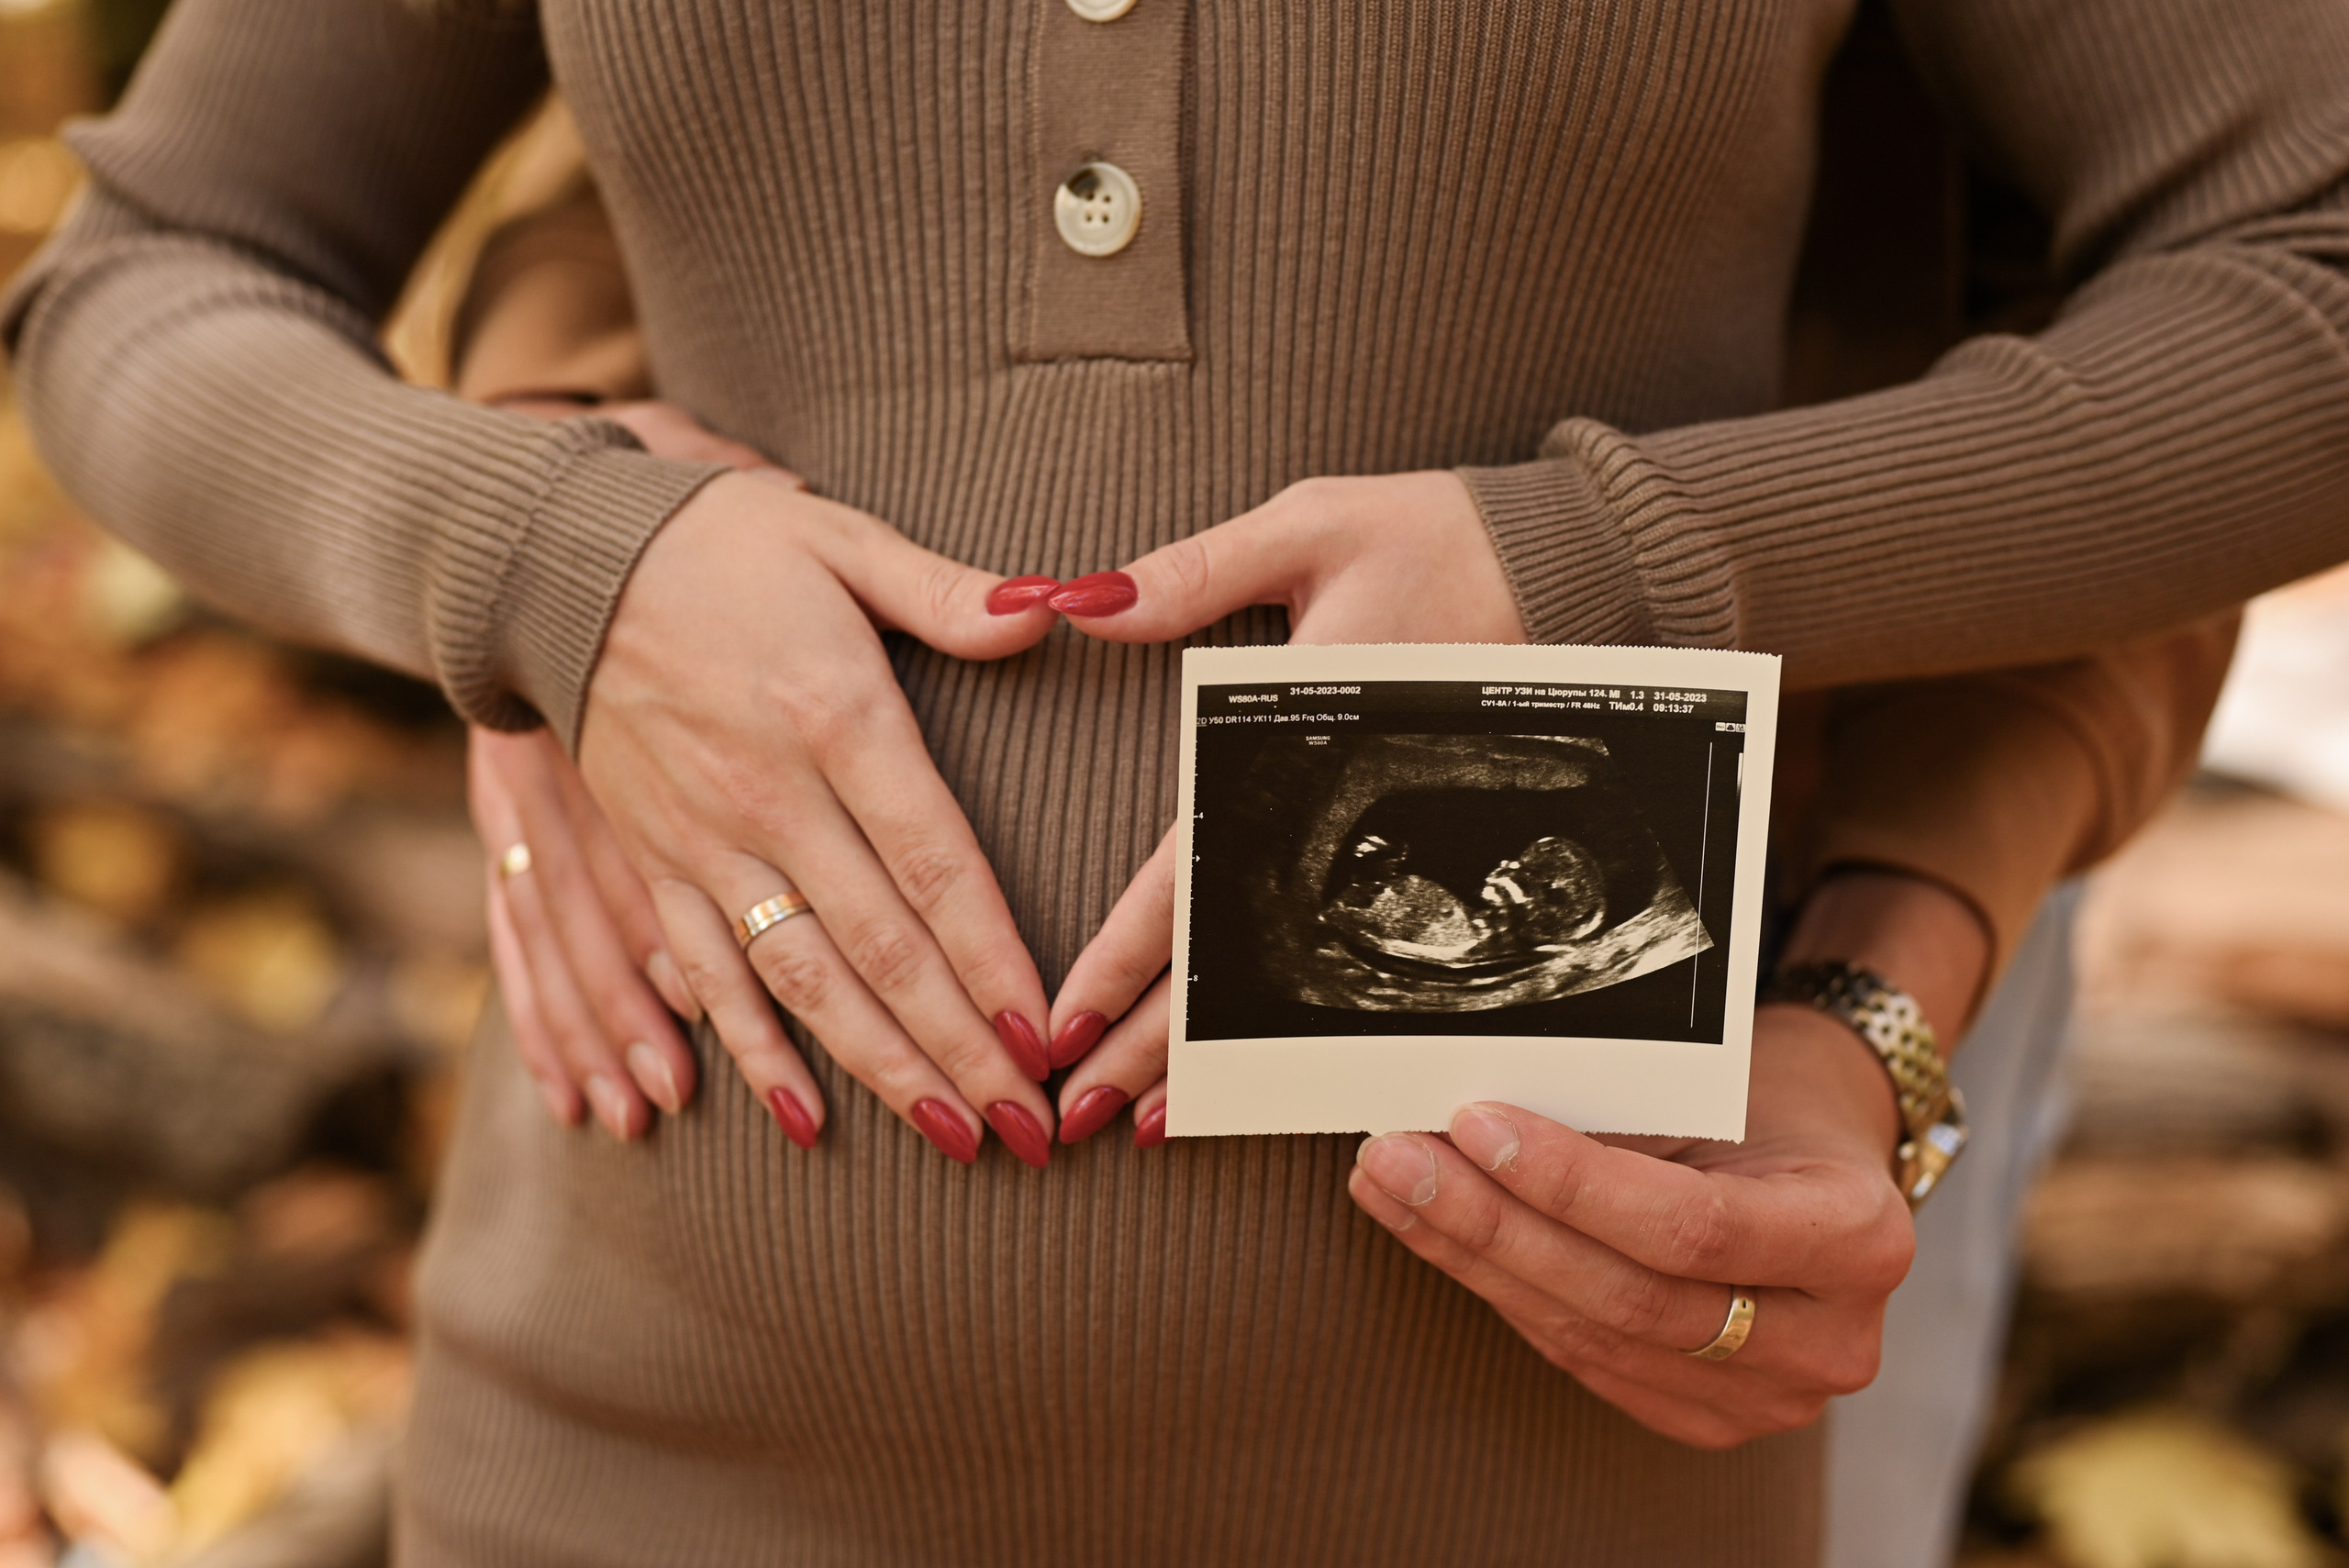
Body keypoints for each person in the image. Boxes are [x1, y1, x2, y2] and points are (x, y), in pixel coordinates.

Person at [2, 0, 2335, 1559]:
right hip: (621, 1447)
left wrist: (1636, 577)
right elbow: (157, 268)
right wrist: (534, 563)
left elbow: (2266, 274)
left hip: (1538, 1460)